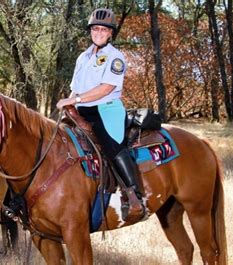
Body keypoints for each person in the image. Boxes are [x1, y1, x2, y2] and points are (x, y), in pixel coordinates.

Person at [56, 8, 145, 222]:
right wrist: (68, 105)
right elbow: (75, 88)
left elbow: (105, 89)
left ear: (110, 33)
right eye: (95, 29)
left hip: (106, 110)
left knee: (111, 146)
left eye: (103, 30)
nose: (98, 33)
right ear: (90, 30)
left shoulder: (115, 58)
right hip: (81, 110)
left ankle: (134, 195)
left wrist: (74, 100)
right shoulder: (82, 57)